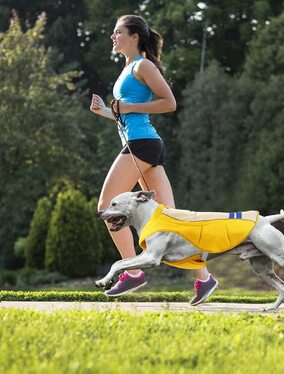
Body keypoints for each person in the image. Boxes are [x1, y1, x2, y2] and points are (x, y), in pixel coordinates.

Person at [90, 14, 218, 305]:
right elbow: (129, 113)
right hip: (144, 143)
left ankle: (132, 271)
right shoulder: (126, 68)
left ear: (134, 36)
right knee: (169, 217)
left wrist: (127, 107)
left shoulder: (143, 65)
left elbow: (169, 102)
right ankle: (204, 278)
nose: (113, 36)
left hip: (142, 144)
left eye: (118, 32)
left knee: (106, 206)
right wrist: (107, 113)